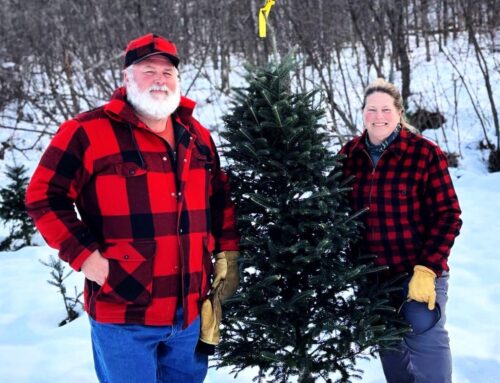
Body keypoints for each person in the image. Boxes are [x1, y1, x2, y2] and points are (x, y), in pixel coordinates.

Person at [25, 33, 239, 383]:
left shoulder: (195, 134)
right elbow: (43, 195)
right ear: (126, 78)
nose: (159, 79)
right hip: (124, 311)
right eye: (148, 70)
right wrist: (86, 256)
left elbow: (219, 198)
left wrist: (227, 254)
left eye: (168, 73)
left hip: (189, 311)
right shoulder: (87, 132)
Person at [340, 78, 462, 383]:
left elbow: (449, 215)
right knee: (392, 355)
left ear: (398, 112)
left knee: (427, 351)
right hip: (374, 278)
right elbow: (335, 210)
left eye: (385, 109)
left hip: (418, 272)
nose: (378, 116)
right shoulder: (349, 155)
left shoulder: (424, 153)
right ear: (363, 113)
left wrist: (427, 268)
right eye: (371, 110)